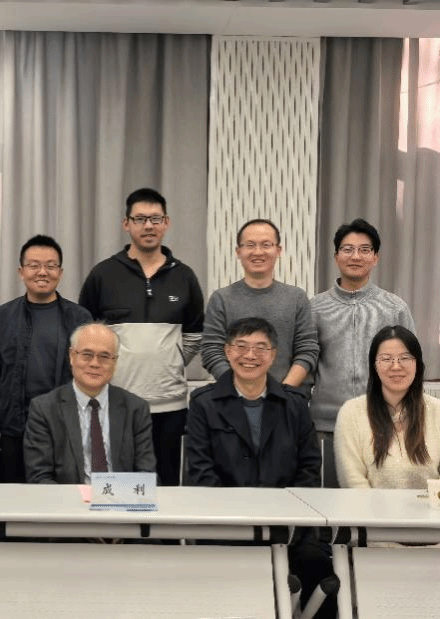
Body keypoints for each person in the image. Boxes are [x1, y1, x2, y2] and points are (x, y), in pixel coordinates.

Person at [186, 317, 333, 618]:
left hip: (289, 525)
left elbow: (309, 469)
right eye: (241, 346)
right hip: (224, 526)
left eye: (260, 348)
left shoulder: (294, 405)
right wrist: (237, 518)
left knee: (320, 566)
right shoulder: (204, 403)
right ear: (227, 351)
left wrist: (287, 520)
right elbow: (201, 472)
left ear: (273, 355)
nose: (250, 355)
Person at [78, 188, 203, 486]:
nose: (149, 226)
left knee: (165, 487)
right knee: (116, 486)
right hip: (115, 403)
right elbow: (87, 338)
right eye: (140, 219)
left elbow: (194, 336)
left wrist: (168, 361)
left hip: (170, 406)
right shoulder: (103, 275)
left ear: (166, 223)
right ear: (126, 224)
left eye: (155, 219)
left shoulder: (184, 276)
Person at [0, 235, 91, 482]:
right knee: (13, 497)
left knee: (59, 497)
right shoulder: (3, 316)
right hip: (12, 428)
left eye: (51, 266)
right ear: (21, 271)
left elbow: (89, 376)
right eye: (34, 265)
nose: (42, 272)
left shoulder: (80, 318)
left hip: (63, 428)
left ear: (60, 272)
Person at [310, 219, 415, 435]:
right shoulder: (315, 308)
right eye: (348, 249)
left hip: (383, 424)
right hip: (326, 426)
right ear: (336, 257)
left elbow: (411, 366)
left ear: (375, 258)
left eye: (364, 250)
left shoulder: (395, 308)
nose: (356, 256)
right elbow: (305, 367)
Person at [23, 322, 156, 484]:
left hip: (120, 497)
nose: (94, 364)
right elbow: (39, 477)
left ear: (115, 362)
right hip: (66, 498)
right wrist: (76, 499)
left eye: (104, 356)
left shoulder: (136, 408)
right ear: (72, 356)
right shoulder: (44, 409)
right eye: (87, 354)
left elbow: (146, 474)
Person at [202, 218, 318, 388]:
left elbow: (307, 350)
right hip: (235, 397)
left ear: (278, 250)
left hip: (287, 396)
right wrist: (241, 391)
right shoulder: (221, 299)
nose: (258, 252)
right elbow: (212, 351)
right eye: (250, 245)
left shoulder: (296, 298)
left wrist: (282, 392)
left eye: (266, 245)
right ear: (238, 251)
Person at [334, 326, 440, 489]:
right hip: (367, 505)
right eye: (386, 359)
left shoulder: (437, 411)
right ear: (374, 366)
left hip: (428, 506)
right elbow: (353, 482)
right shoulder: (351, 413)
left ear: (417, 364)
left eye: (405, 358)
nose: (396, 366)